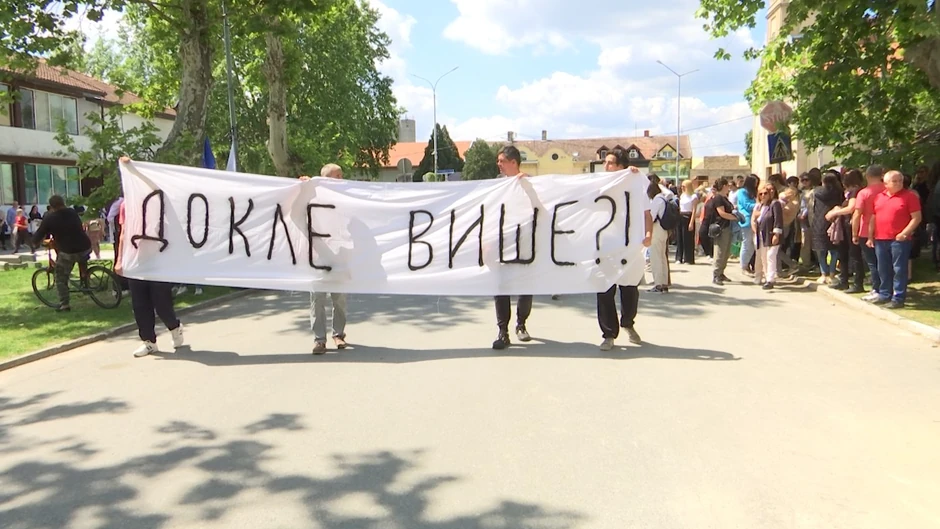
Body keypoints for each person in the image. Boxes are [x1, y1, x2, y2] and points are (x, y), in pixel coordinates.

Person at [115, 158, 185, 357]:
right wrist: (120, 259)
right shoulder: (125, 206)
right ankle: (149, 341)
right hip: (136, 260)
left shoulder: (157, 199)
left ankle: (174, 327)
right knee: (140, 304)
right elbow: (123, 233)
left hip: (158, 259)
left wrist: (134, 169)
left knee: (161, 302)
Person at [596, 147, 651, 351]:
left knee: (629, 289)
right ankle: (608, 334)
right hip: (606, 245)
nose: (606, 166)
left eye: (610, 163)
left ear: (621, 167)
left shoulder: (635, 185)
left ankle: (627, 321)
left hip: (629, 245)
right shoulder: (598, 185)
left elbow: (646, 213)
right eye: (605, 162)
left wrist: (648, 234)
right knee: (604, 290)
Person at [300, 164, 349, 354]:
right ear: (327, 179)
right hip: (318, 256)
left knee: (340, 299)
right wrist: (302, 187)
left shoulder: (345, 198)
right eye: (338, 175)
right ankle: (320, 340)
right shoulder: (312, 196)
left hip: (340, 255)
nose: (341, 178)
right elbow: (297, 208)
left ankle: (339, 334)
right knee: (317, 300)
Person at [492, 145, 535, 350]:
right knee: (501, 288)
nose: (498, 164)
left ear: (513, 163)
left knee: (525, 287)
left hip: (524, 243)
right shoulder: (497, 186)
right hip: (502, 243)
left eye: (502, 161)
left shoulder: (528, 183)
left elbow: (540, 208)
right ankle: (503, 331)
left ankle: (521, 324)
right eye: (498, 161)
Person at [867, 170, 922, 309]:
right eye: (894, 181)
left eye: (900, 181)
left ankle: (898, 297)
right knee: (883, 268)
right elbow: (874, 217)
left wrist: (905, 233)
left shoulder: (909, 196)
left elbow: (917, 218)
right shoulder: (879, 197)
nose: (898, 183)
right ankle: (885, 294)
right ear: (885, 183)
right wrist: (870, 236)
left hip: (899, 240)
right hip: (881, 238)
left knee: (899, 269)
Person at [31, 195, 92, 312]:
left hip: (68, 251)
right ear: (63, 203)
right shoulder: (72, 212)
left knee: (61, 277)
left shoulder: (50, 218)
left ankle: (64, 304)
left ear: (52, 206)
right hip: (85, 246)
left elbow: (40, 234)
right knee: (81, 258)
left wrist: (34, 243)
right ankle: (85, 279)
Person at [701, 178, 737, 285]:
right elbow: (721, 213)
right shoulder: (718, 198)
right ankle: (716, 274)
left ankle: (721, 272)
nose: (729, 188)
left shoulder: (724, 198)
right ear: (724, 186)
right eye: (727, 185)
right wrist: (735, 217)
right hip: (721, 227)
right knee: (720, 251)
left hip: (727, 226)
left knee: (726, 252)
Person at [752, 183, 784, 290]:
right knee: (764, 257)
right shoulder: (761, 206)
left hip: (771, 235)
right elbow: (757, 220)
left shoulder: (775, 204)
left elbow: (778, 220)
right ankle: (767, 277)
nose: (763, 195)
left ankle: (770, 280)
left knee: (771, 256)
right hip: (762, 235)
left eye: (765, 193)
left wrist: (776, 234)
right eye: (761, 194)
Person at [647, 178, 670, 293]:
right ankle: (664, 282)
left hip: (656, 230)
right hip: (664, 230)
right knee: (662, 257)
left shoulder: (656, 200)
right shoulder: (663, 198)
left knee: (655, 258)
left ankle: (658, 284)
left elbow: (651, 217)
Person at [736, 175, 759, 276]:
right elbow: (747, 205)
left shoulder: (752, 193)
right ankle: (743, 266)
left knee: (752, 245)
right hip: (746, 219)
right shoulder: (742, 192)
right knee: (746, 244)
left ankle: (746, 264)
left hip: (754, 219)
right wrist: (760, 204)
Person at [676, 180, 698, 265]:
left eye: (684, 186)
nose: (682, 188)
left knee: (687, 239)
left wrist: (691, 222)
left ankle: (688, 258)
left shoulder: (693, 196)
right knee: (679, 237)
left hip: (688, 216)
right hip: (681, 216)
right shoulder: (682, 195)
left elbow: (694, 210)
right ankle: (679, 257)